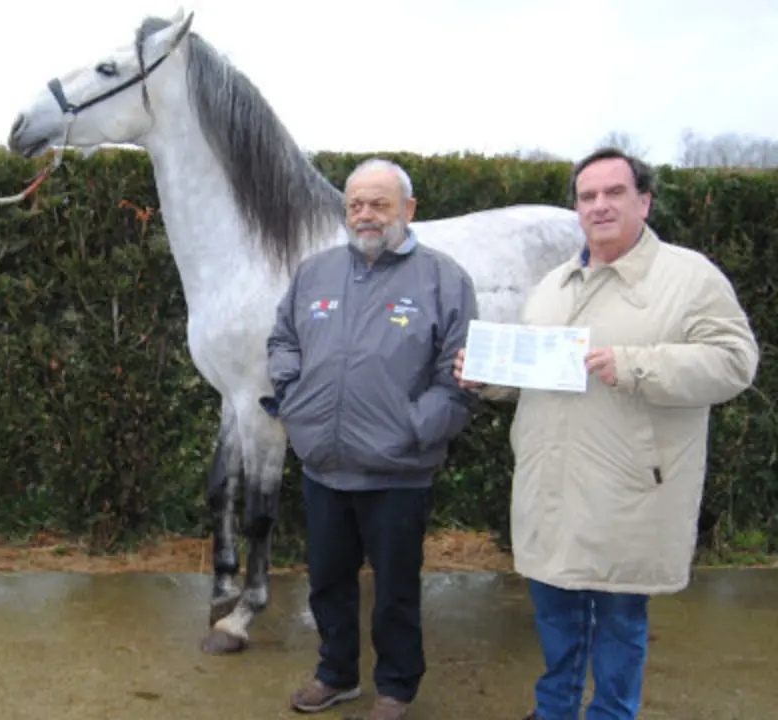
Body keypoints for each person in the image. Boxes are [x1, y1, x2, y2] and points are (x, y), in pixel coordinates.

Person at [453, 147, 759, 720]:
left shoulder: (690, 278)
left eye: (614, 192)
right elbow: (539, 374)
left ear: (643, 201)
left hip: (627, 490)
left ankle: (613, 714)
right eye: (588, 196)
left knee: (619, 623)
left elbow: (735, 363)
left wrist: (636, 365)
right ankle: (555, 711)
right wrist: (488, 379)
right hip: (551, 485)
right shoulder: (553, 284)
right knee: (554, 615)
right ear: (576, 209)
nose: (600, 205)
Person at [264, 158, 479, 719]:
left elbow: (458, 376)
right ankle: (336, 675)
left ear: (408, 210)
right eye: (356, 204)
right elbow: (283, 339)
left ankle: (397, 687)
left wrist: (418, 428)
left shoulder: (444, 279)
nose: (365, 214)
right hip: (323, 466)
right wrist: (293, 398)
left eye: (380, 204)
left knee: (395, 593)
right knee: (328, 583)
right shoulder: (314, 273)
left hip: (398, 473)